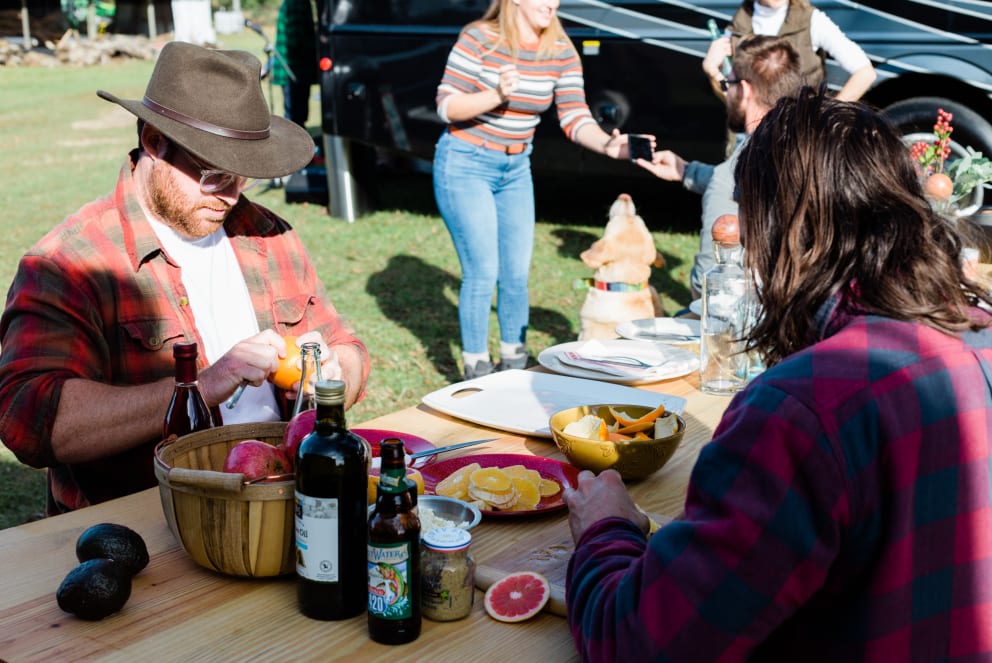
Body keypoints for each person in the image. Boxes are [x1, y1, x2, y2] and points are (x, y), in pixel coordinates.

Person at [564, 87, 992, 660]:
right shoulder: (981, 335)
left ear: (770, 228)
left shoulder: (801, 408)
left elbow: (640, 642)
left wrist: (605, 529)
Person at [0, 42, 370, 515]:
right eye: (215, 175)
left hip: (280, 506)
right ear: (154, 141)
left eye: (245, 177)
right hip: (144, 523)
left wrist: (337, 373)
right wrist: (199, 385)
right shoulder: (68, 262)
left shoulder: (269, 234)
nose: (231, 197)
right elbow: (30, 418)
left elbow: (347, 347)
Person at [433, 0, 646, 380]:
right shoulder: (479, 38)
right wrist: (496, 94)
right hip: (466, 163)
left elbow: (574, 116)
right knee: (483, 271)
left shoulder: (559, 48)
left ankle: (515, 362)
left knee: (516, 273)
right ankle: (477, 369)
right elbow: (447, 106)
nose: (553, 3)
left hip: (515, 168)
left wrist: (611, 145)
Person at [638, 35, 803, 299]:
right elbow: (753, 189)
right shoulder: (803, 144)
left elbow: (709, 283)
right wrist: (687, 172)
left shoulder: (731, 174)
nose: (726, 93)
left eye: (729, 83)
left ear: (745, 90)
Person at [705, 0, 875, 103]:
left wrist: (825, 118)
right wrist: (713, 71)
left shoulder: (812, 20)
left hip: (798, 142)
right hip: (752, 142)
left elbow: (865, 73)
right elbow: (734, 100)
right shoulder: (738, 27)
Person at [272, 0, 318, 128]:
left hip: (294, 70)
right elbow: (297, 41)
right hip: (294, 71)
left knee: (295, 118)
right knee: (295, 121)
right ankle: (295, 148)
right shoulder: (298, 3)